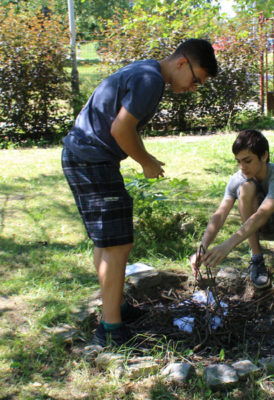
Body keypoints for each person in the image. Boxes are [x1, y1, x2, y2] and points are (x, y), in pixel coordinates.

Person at [62, 39, 218, 347]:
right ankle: (110, 329)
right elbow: (121, 129)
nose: (192, 88)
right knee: (118, 244)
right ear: (182, 63)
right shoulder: (151, 80)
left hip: (85, 156)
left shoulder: (145, 69)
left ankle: (114, 307)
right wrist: (146, 163)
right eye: (196, 80)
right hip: (90, 159)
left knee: (108, 242)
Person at [190, 129, 274, 289]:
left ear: (264, 156)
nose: (242, 167)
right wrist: (201, 249)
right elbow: (220, 214)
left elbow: (263, 214)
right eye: (238, 161)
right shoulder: (238, 179)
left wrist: (227, 245)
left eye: (247, 161)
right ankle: (257, 258)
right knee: (246, 188)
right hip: (259, 227)